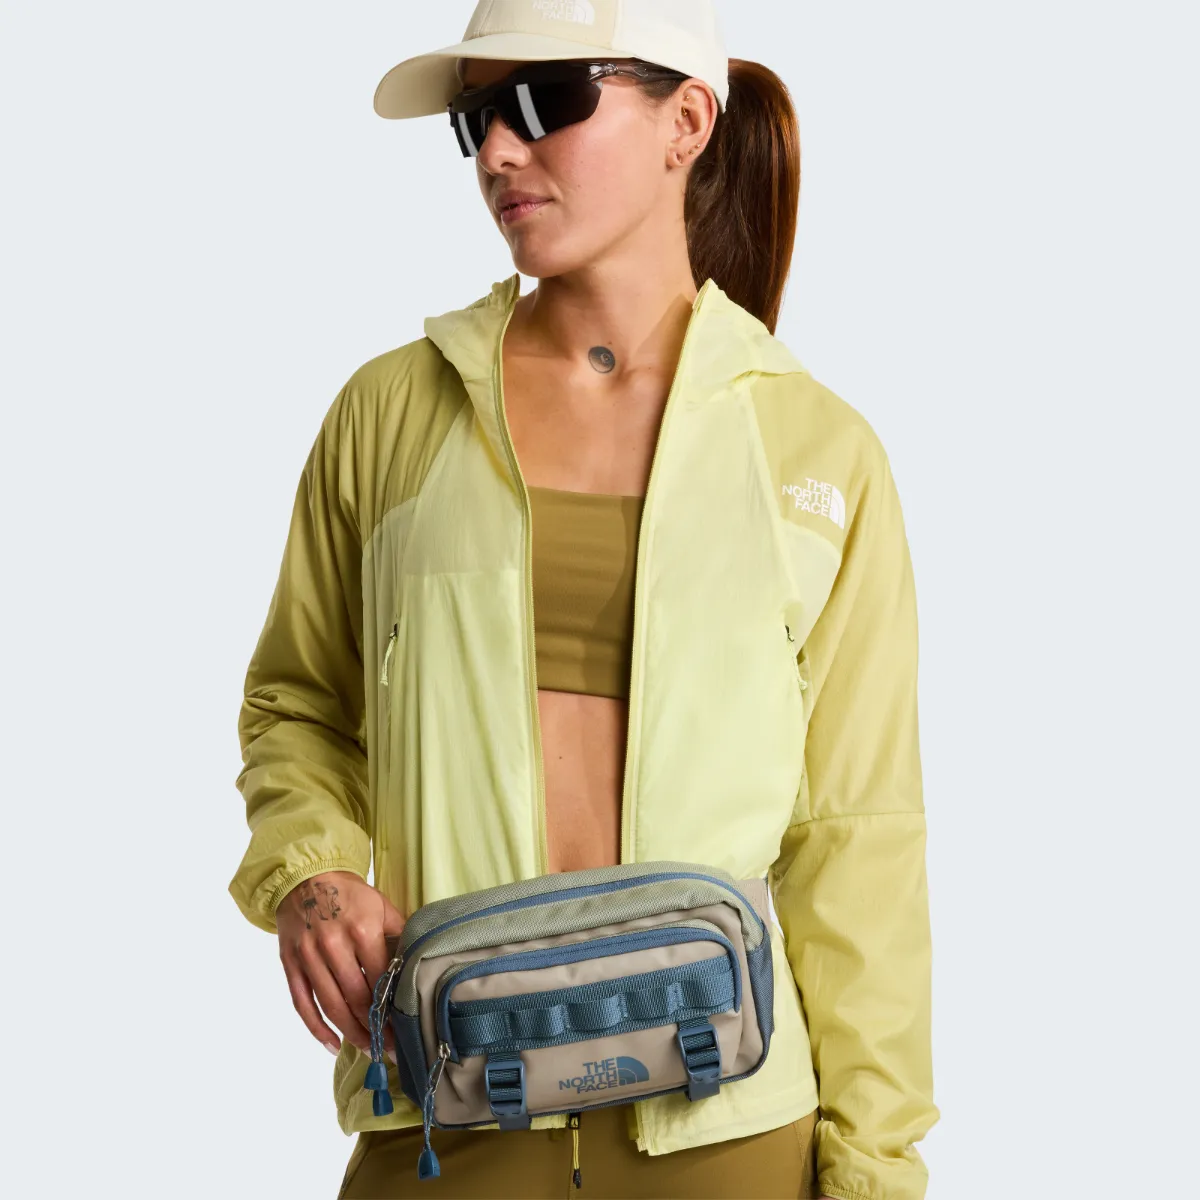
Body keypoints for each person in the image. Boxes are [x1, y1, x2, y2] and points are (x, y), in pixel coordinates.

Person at [228, 2, 938, 1197]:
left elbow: (857, 838)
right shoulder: (392, 416)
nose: (499, 151)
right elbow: (298, 703)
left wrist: (873, 1168)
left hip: (728, 1131)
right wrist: (312, 867)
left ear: (687, 121)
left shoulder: (817, 451)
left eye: (545, 99)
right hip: (448, 1115)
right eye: (476, 121)